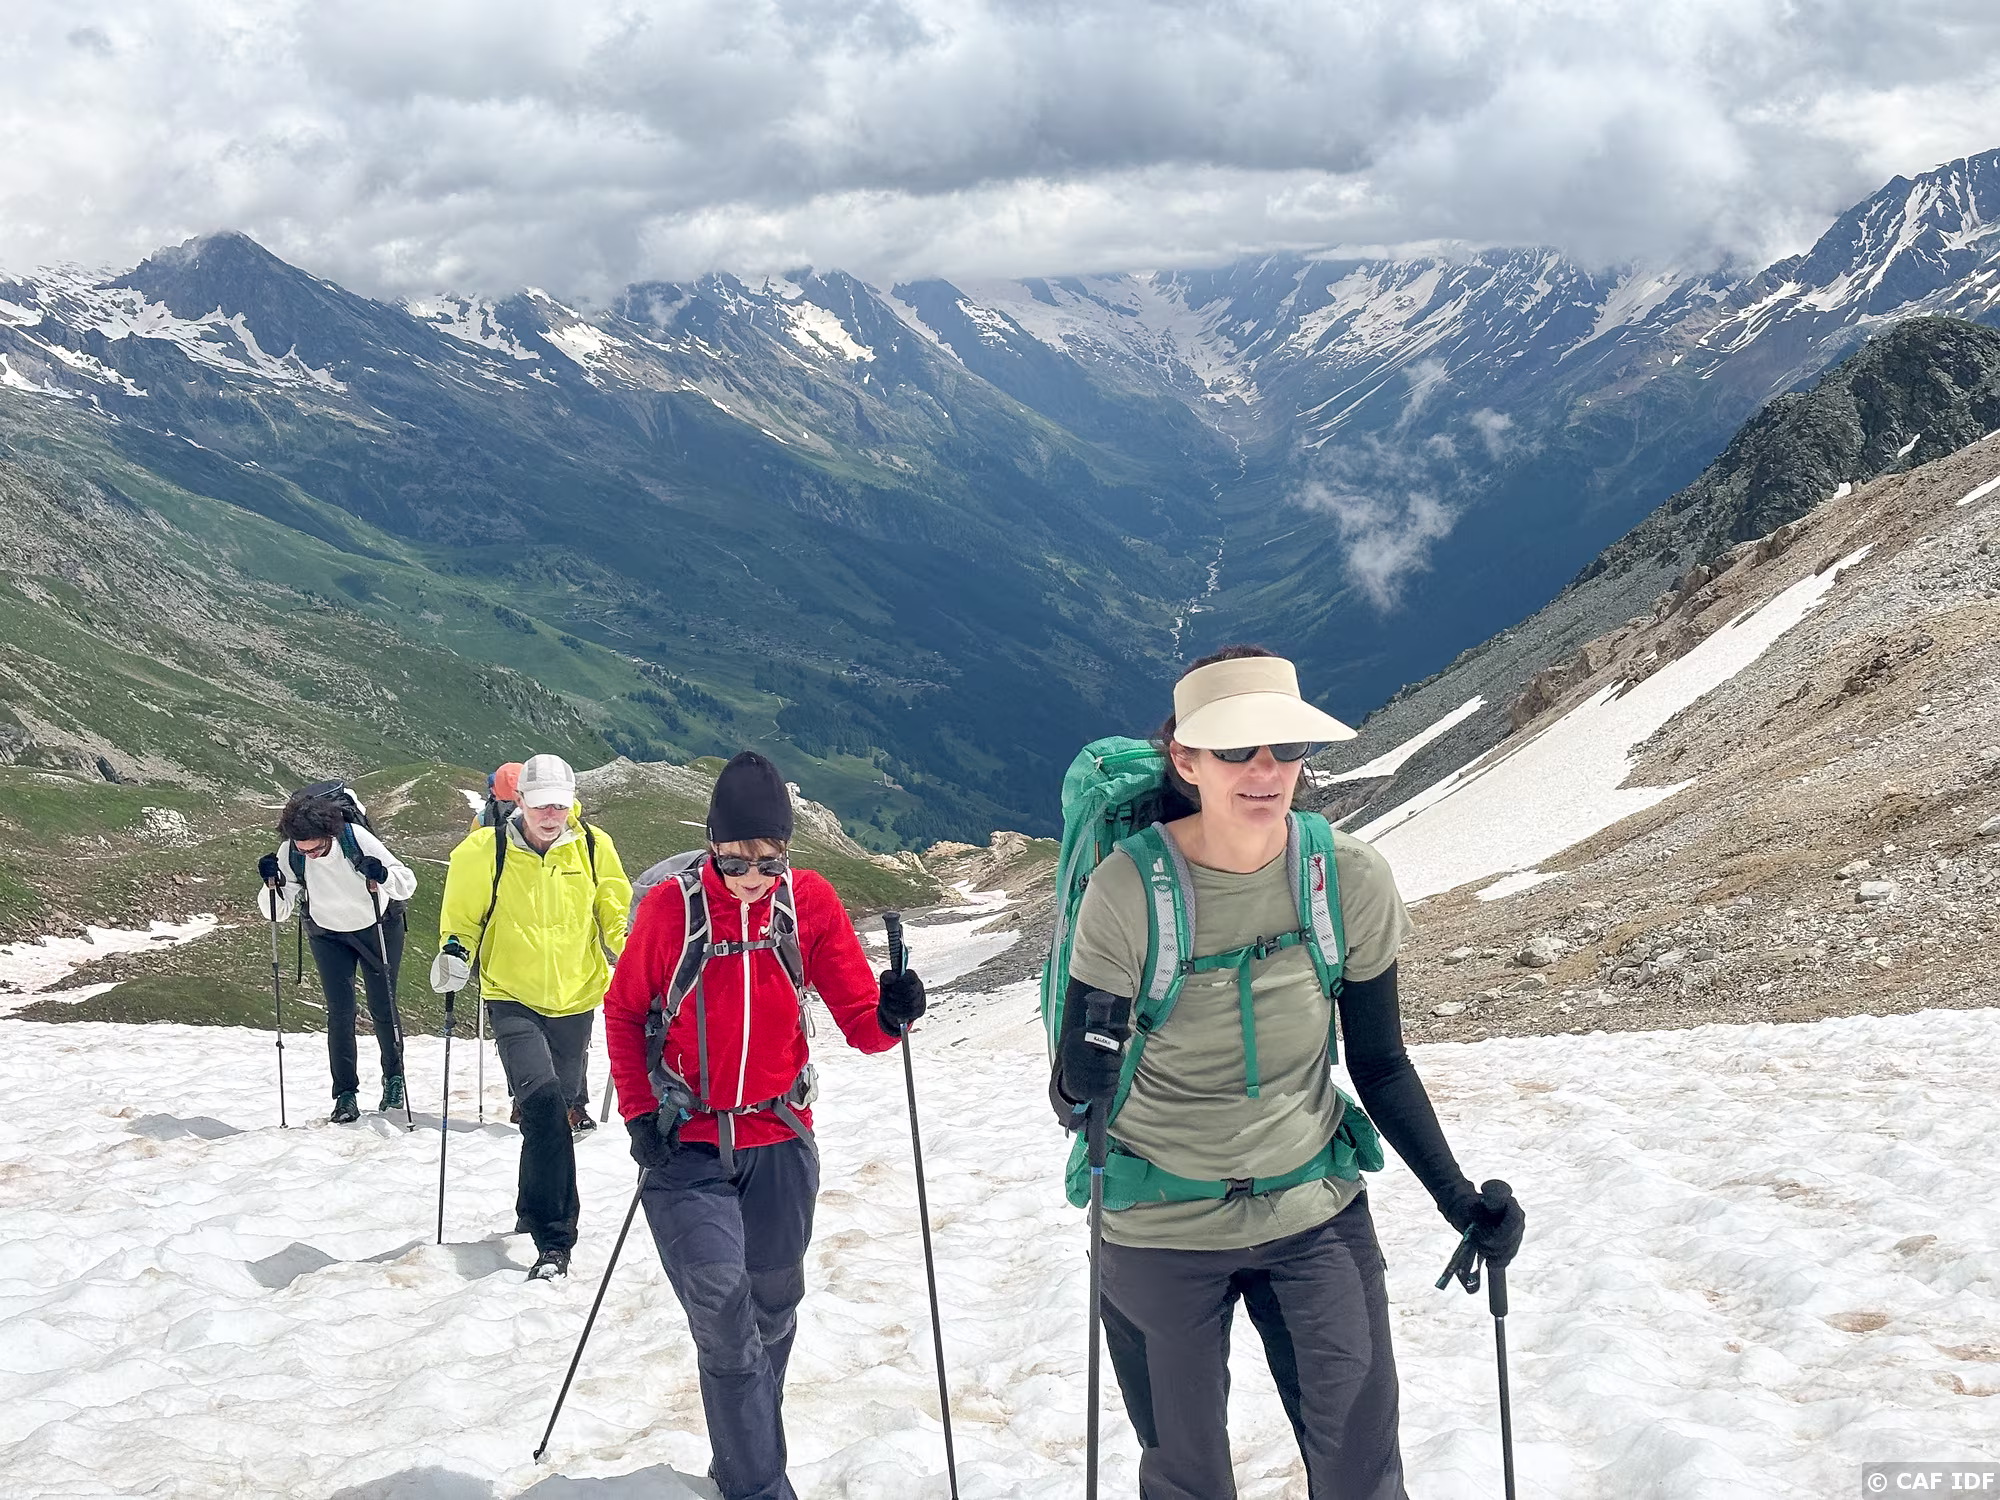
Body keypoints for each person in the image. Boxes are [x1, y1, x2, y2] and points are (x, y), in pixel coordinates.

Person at [1050, 647, 1526, 1500]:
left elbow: (1379, 1062)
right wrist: (1079, 1075)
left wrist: (1458, 1198)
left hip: (1313, 1208)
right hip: (1157, 1223)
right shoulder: (1126, 891)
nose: (1265, 771)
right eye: (1236, 749)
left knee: (1361, 1475)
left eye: (1286, 747)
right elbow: (1076, 1094)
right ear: (1185, 759)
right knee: (1187, 1479)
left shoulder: (1348, 877)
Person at [604, 750, 928, 1500]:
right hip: (686, 1143)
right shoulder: (671, 910)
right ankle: (760, 1487)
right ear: (710, 845)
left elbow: (862, 1024)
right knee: (723, 1310)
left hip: (780, 1137)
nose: (751, 877)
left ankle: (742, 1459)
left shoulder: (809, 903)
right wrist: (640, 1114)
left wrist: (894, 1013)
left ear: (787, 851)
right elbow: (623, 1011)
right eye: (734, 860)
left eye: (768, 861)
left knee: (773, 1312)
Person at [431, 753, 631, 1280]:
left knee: (555, 1111)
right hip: (510, 995)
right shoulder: (484, 849)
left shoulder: (594, 846)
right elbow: (462, 919)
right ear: (519, 800)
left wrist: (632, 952)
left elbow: (613, 912)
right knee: (543, 1108)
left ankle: (528, 1208)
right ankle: (555, 1239)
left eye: (560, 805)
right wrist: (454, 952)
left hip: (576, 997)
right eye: (540, 804)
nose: (550, 815)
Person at [258, 784, 418, 1124]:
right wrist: (272, 883)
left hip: (377, 926)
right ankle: (345, 1094)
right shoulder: (292, 851)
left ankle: (394, 1078)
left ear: (328, 833)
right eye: (303, 850)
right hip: (327, 932)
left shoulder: (355, 838)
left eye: (315, 849)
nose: (310, 856)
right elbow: (277, 912)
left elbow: (406, 881)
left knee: (383, 1007)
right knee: (340, 1013)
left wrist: (382, 874)